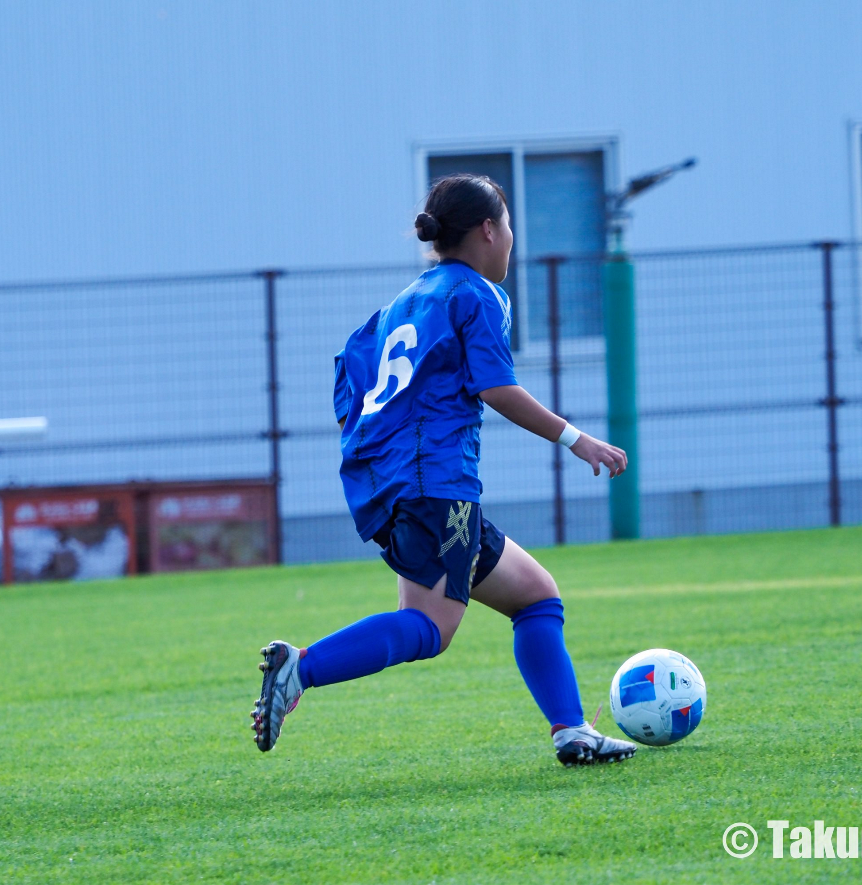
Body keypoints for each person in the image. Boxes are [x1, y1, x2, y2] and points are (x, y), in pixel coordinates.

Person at [251, 176, 637, 765]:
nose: (511, 241)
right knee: (431, 629)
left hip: (392, 485)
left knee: (535, 596)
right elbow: (497, 388)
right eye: (508, 227)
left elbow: (346, 376)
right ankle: (301, 667)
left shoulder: (400, 304)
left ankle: (572, 731)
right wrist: (576, 439)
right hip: (435, 487)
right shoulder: (477, 294)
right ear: (487, 230)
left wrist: (384, 453)